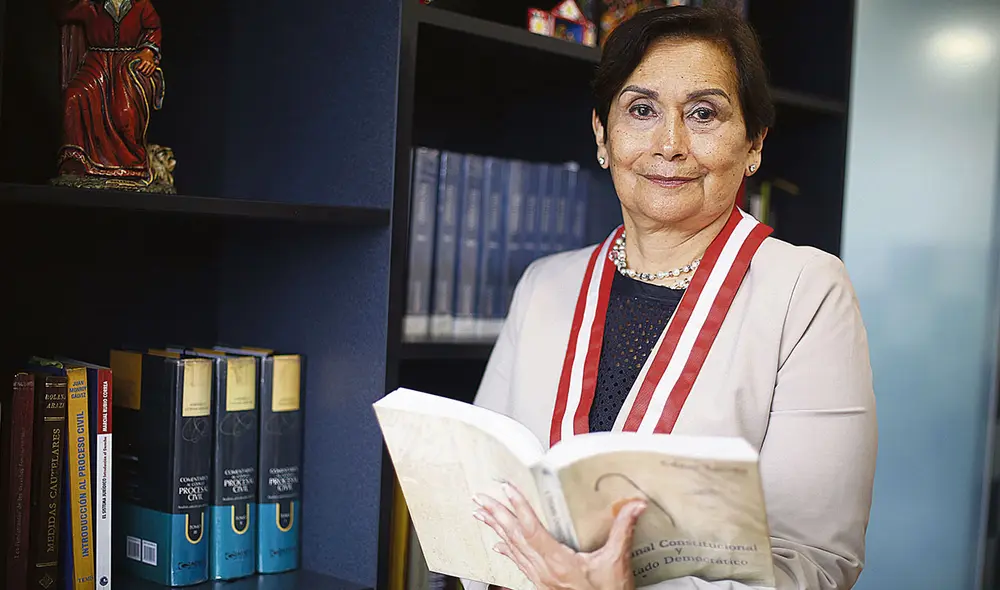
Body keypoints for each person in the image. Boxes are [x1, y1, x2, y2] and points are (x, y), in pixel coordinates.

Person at [465, 5, 877, 590]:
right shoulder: (544, 284)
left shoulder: (806, 291)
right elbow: (481, 494)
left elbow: (815, 560)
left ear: (754, 143)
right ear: (602, 134)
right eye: (642, 110)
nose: (670, 144)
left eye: (704, 113)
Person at [55, 0, 165, 188]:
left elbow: (153, 28)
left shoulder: (141, 5)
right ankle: (78, 160)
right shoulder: (91, 6)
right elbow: (63, 12)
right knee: (74, 97)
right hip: (96, 62)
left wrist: (148, 51)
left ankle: (131, 165)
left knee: (125, 111)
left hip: (126, 63)